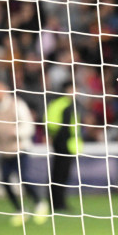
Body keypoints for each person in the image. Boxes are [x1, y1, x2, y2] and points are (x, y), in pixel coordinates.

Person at [0, 78, 49, 225]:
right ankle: (20, 210)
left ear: (5, 89)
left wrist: (16, 132)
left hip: (20, 149)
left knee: (24, 178)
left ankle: (39, 203)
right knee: (5, 181)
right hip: (3, 150)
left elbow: (29, 127)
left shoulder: (17, 105)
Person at [44, 81, 81, 212]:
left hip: (66, 144)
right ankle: (56, 203)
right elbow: (53, 125)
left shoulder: (67, 104)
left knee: (61, 174)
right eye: (73, 88)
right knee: (59, 174)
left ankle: (58, 202)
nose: (76, 91)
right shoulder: (62, 105)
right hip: (62, 144)